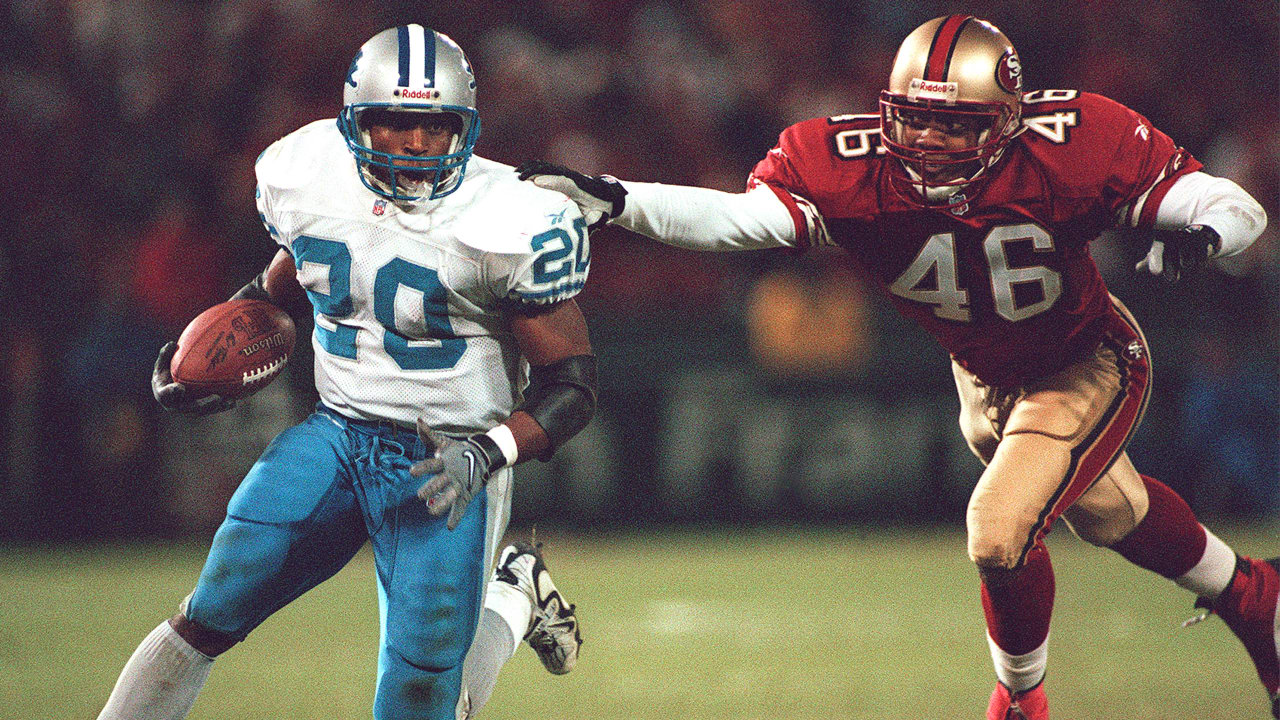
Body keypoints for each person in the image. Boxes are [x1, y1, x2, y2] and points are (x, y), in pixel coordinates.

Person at [518, 14, 1274, 720]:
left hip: (1086, 359)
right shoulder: (845, 161)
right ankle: (1252, 593)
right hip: (981, 375)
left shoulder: (1077, 140)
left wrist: (1200, 234)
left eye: (956, 126)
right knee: (1114, 513)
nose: (928, 143)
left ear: (1009, 122)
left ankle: (1020, 702)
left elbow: (1234, 204)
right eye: (916, 117)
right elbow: (741, 222)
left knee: (998, 531)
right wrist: (618, 198)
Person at [98, 24, 590, 720]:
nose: (416, 144)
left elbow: (571, 388)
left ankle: (511, 598)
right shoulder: (307, 175)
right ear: (355, 121)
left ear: (465, 127)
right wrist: (208, 352)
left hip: (447, 459)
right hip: (335, 438)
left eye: (435, 125)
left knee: (420, 698)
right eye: (393, 123)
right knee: (209, 609)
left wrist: (486, 454)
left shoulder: (514, 217)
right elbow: (280, 289)